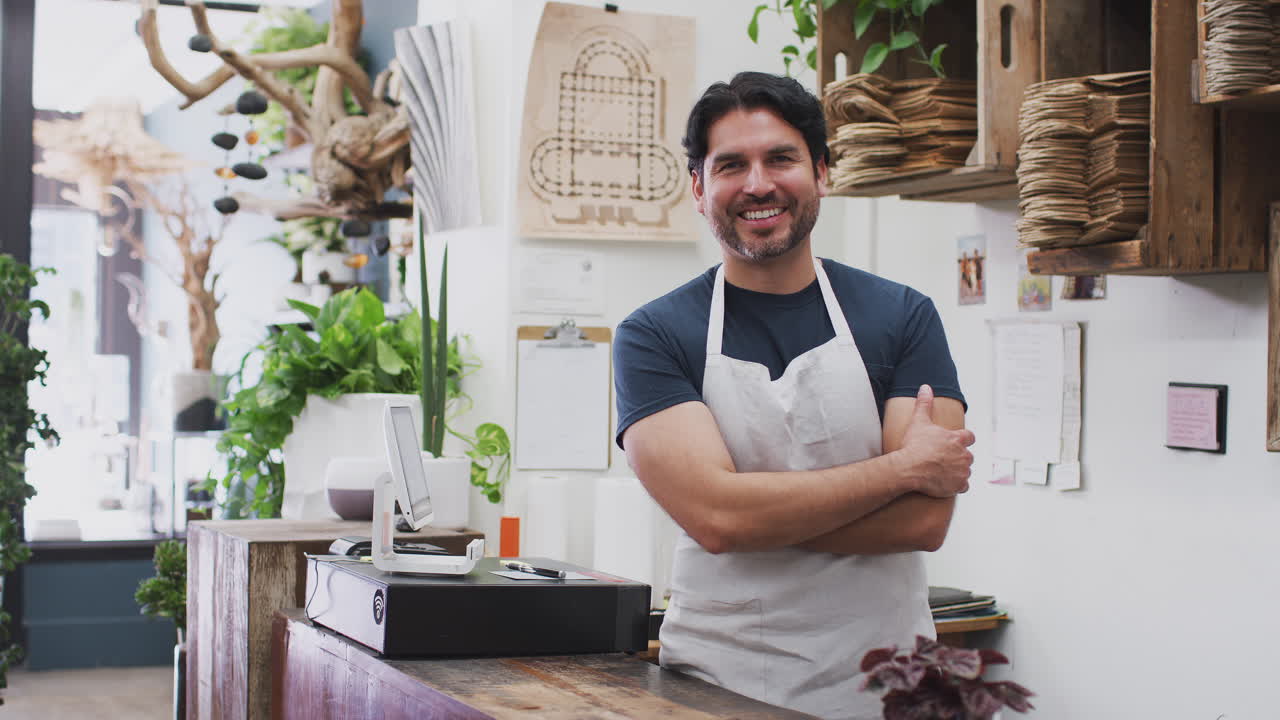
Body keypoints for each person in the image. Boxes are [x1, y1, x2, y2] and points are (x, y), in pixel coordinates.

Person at [612, 72, 975, 720]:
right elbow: (717, 522)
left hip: (885, 689)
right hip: (718, 688)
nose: (758, 184)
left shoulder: (901, 317)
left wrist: (750, 511)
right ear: (697, 187)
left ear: (822, 172)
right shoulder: (655, 334)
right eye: (731, 165)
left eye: (781, 158)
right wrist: (901, 470)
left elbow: (922, 523)